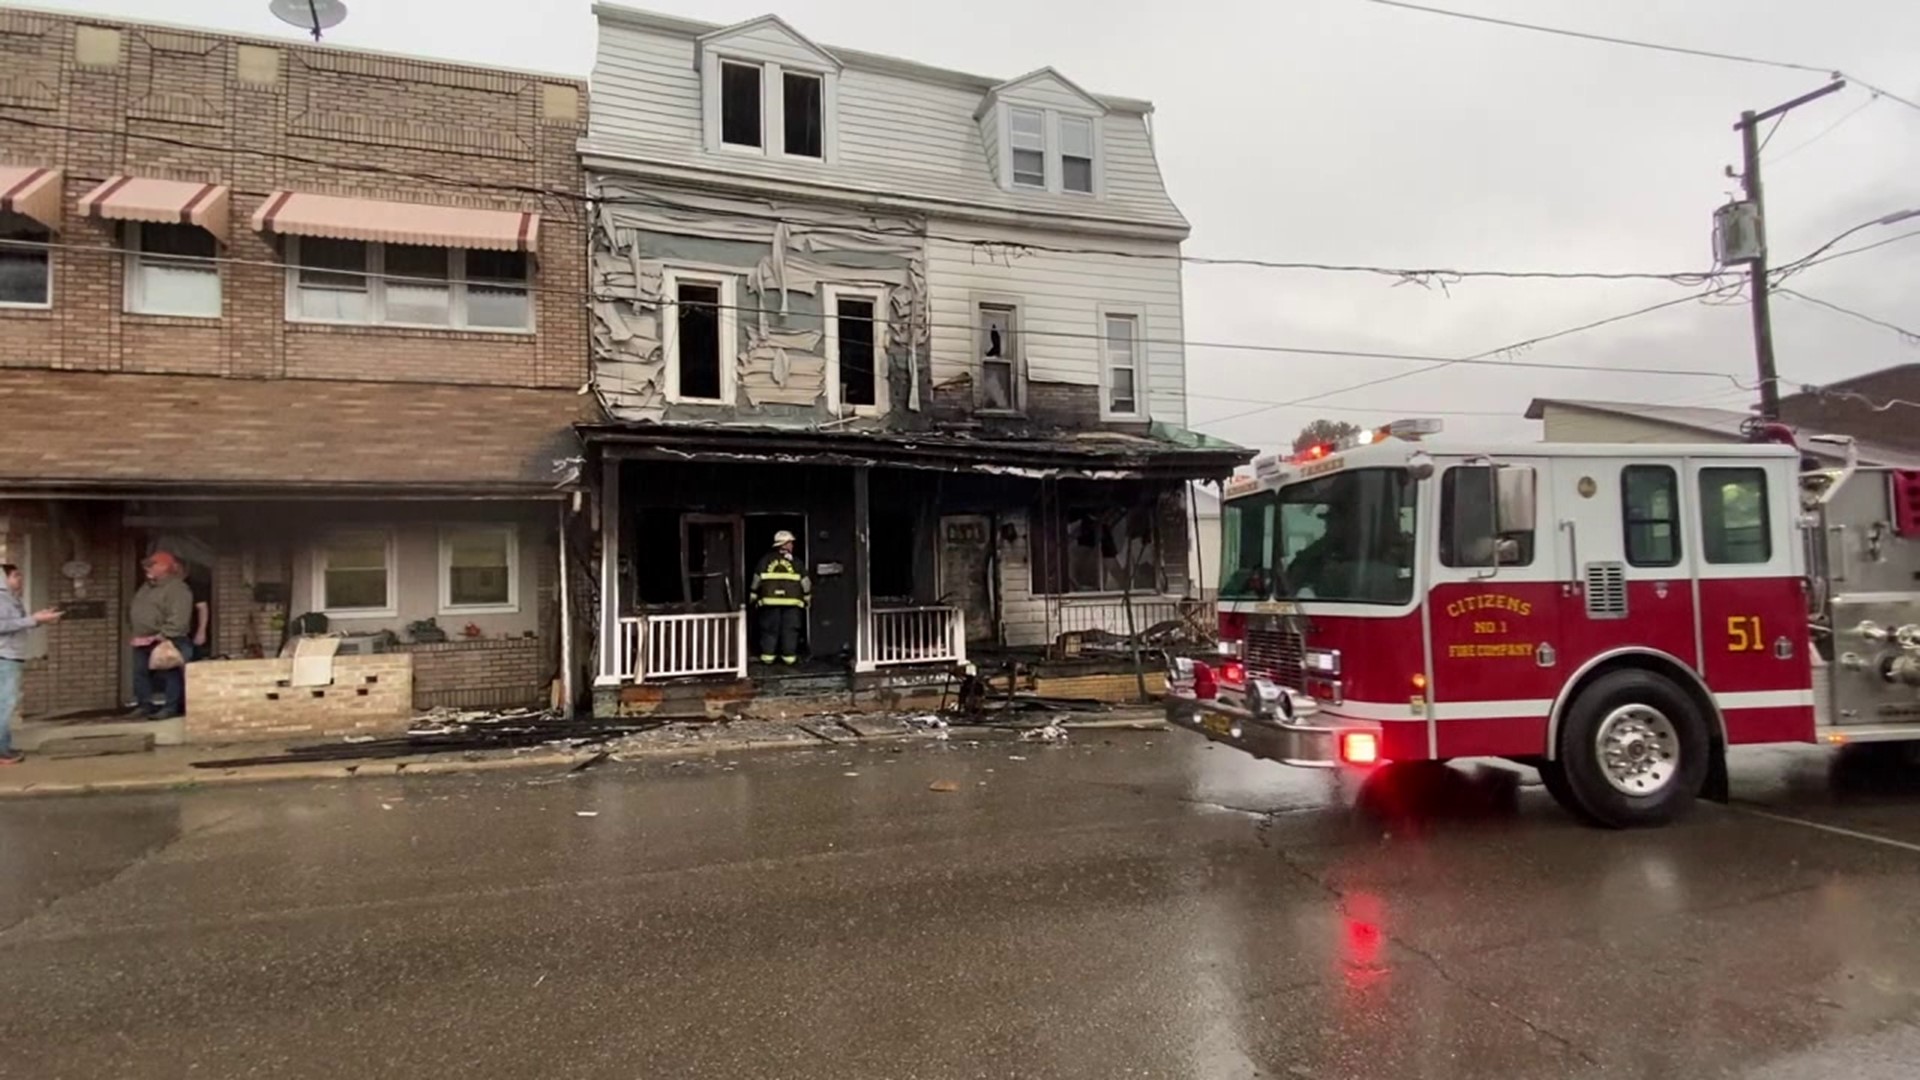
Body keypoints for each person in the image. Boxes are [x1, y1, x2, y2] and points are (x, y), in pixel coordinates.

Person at [1, 563, 64, 765]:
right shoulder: (2, 598)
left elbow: (19, 624)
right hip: (5, 657)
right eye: (15, 576)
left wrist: (38, 619)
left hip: (12, 655)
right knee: (5, 706)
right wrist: (33, 619)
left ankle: (5, 746)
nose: (20, 579)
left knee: (6, 705)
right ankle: (2, 751)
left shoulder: (12, 599)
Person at [129, 551, 194, 720]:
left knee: (170, 674)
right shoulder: (147, 586)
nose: (147, 568)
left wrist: (165, 634)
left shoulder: (177, 588)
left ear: (165, 567)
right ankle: (144, 705)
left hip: (165, 639)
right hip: (142, 638)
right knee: (140, 673)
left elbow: (179, 616)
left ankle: (170, 707)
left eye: (152, 565)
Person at [750, 531, 810, 666]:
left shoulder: (765, 560)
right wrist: (807, 596)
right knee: (790, 631)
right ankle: (789, 659)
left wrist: (753, 594)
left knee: (769, 630)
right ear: (785, 544)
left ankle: (767, 658)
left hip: (769, 604)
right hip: (792, 605)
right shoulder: (796, 562)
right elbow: (805, 582)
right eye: (791, 543)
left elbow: (756, 580)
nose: (793, 545)